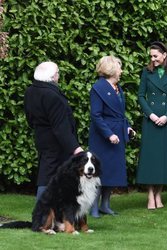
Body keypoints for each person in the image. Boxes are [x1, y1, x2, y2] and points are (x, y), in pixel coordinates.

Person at [24, 61, 83, 200]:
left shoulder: (31, 91)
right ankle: (42, 214)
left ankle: (54, 215)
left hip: (41, 138)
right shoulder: (52, 95)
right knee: (48, 175)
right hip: (56, 143)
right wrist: (75, 148)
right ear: (51, 77)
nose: (58, 75)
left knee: (50, 173)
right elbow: (60, 127)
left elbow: (30, 119)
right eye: (57, 73)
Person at [136, 41, 167, 210]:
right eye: (151, 56)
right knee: (150, 158)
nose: (153, 59)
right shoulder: (146, 72)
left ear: (164, 55)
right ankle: (150, 195)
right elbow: (141, 96)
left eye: (155, 56)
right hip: (151, 120)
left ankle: (158, 194)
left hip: (166, 121)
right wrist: (152, 114)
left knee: (164, 159)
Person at [88, 55, 135, 217]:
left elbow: (119, 114)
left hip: (117, 135)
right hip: (102, 137)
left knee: (113, 172)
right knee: (98, 172)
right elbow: (96, 115)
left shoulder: (117, 88)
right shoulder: (98, 88)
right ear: (111, 70)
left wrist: (128, 128)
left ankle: (105, 205)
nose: (121, 71)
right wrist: (109, 134)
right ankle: (93, 208)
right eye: (119, 67)